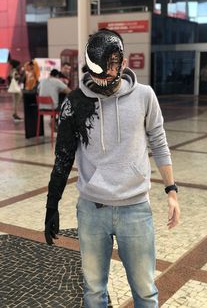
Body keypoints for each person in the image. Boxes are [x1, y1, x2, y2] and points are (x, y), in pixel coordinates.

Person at [44, 29, 180, 307]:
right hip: (92, 210)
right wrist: (51, 204)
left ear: (123, 64)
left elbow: (159, 142)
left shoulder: (145, 96)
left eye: (107, 74)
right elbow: (63, 158)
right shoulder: (75, 103)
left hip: (136, 209)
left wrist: (171, 190)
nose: (100, 81)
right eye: (95, 75)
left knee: (145, 291)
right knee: (93, 292)